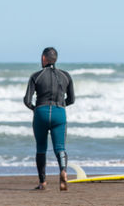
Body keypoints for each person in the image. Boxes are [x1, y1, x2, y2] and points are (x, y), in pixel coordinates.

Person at [23, 47, 75, 191]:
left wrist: (36, 109)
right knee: (60, 147)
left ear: (44, 58)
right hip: (59, 112)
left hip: (41, 112)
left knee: (41, 148)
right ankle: (63, 171)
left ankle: (43, 182)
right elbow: (72, 99)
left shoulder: (36, 76)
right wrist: (60, 106)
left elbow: (27, 100)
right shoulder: (66, 76)